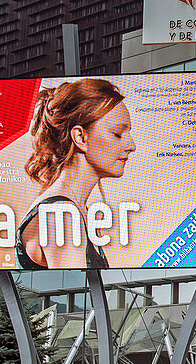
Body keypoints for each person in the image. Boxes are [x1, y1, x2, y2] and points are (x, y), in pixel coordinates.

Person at [17, 78, 136, 269]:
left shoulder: (71, 209)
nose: (132, 146)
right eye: (117, 134)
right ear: (80, 137)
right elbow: (77, 290)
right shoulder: (61, 214)